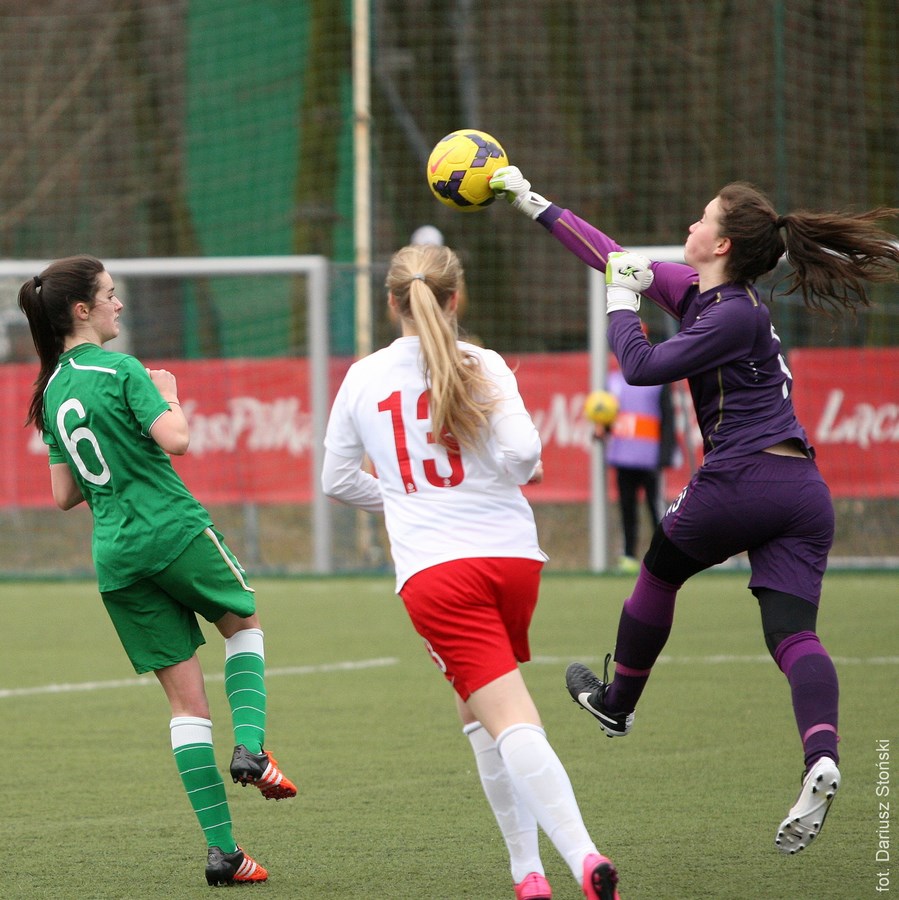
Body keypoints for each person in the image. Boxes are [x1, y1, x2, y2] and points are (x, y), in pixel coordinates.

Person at [489, 166, 899, 854]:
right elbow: (615, 257)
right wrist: (534, 202)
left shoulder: (730, 312)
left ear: (721, 246)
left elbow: (642, 366)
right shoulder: (712, 295)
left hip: (744, 475)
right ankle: (820, 757)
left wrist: (619, 309)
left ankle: (616, 706)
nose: (688, 227)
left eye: (701, 219)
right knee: (792, 634)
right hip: (801, 492)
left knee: (656, 571)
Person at [321, 243, 621, 900]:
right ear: (455, 299)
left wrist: (404, 496)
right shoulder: (482, 363)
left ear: (391, 302)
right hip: (513, 562)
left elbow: (335, 479)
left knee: (509, 716)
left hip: (439, 574)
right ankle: (525, 873)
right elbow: (522, 455)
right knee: (476, 706)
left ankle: (582, 859)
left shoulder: (364, 377)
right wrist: (486, 479)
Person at [18, 256, 297, 886]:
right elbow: (178, 440)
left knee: (185, 705)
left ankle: (224, 853)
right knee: (245, 624)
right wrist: (167, 394)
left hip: (116, 556)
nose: (120, 305)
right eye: (111, 296)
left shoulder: (53, 389)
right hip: (171, 529)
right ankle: (251, 746)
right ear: (82, 310)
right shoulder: (120, 369)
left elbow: (64, 494)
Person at [597, 356, 676, 571]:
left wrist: (665, 455)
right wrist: (601, 430)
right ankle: (629, 557)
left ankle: (664, 555)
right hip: (622, 457)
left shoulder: (659, 382)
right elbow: (608, 417)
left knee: (656, 508)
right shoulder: (612, 381)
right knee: (626, 508)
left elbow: (667, 419)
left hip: (650, 459)